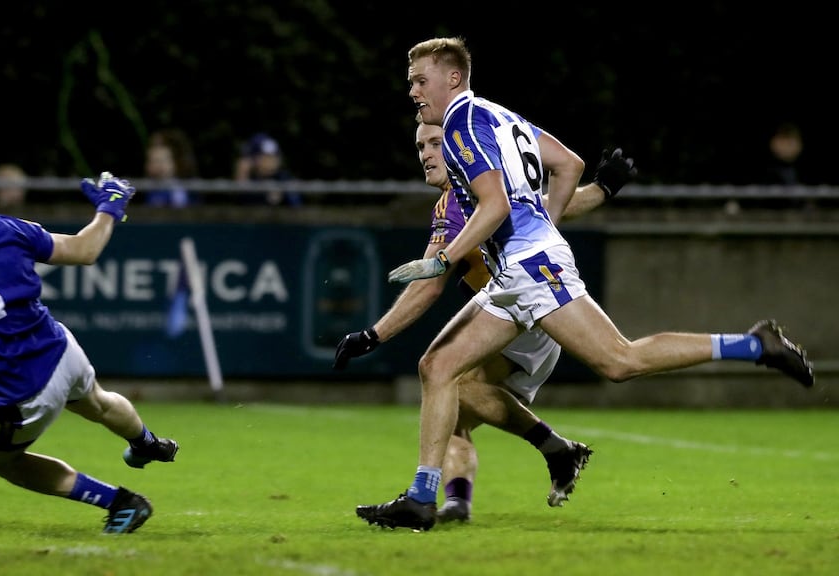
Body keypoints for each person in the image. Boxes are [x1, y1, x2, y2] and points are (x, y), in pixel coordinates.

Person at [354, 37, 815, 532]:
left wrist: (448, 257)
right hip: (522, 267)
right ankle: (424, 498)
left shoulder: (461, 123)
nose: (414, 93)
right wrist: (542, 228)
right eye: (411, 84)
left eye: (420, 81)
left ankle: (753, 345)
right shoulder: (497, 115)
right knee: (438, 367)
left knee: (619, 360)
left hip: (528, 267)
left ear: (452, 77)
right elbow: (569, 163)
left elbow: (496, 207)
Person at [335, 116, 635, 523]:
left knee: (447, 380)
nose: (426, 154)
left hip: (521, 307)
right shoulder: (477, 188)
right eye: (421, 147)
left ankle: (557, 450)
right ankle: (458, 502)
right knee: (450, 411)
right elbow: (550, 207)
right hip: (518, 308)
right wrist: (602, 190)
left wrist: (373, 335)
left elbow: (429, 283)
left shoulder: (466, 193)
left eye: (436, 143)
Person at [0, 155, 180, 534]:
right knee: (99, 402)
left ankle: (121, 502)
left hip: (20, 390)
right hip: (59, 348)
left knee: (1, 462)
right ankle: (147, 442)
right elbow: (84, 251)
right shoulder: (10, 227)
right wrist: (109, 208)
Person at [232, 132, 301, 206]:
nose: (270, 162)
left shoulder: (283, 178)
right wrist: (242, 174)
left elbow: (296, 205)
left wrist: (281, 195)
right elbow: (240, 199)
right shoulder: (250, 176)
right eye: (264, 157)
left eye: (273, 157)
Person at [142, 129, 199, 208]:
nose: (157, 166)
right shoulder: (144, 189)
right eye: (152, 161)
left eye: (161, 161)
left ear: (174, 163)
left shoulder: (177, 190)